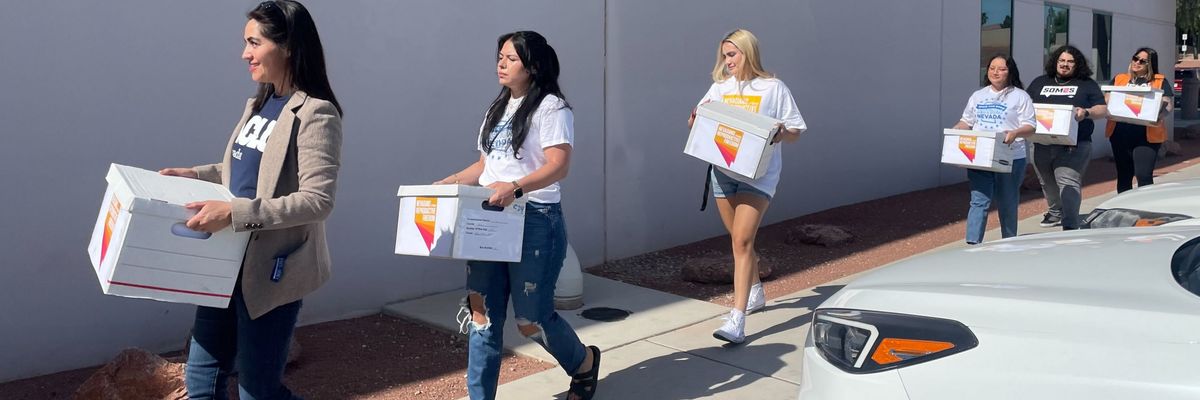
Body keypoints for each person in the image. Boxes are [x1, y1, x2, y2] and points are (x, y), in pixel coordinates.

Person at [159, 1, 343, 398]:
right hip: (223, 261)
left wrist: (234, 213)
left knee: (257, 390)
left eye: (254, 43)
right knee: (201, 381)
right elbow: (240, 172)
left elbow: (317, 201)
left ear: (288, 45)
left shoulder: (316, 113)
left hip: (270, 272)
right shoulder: (258, 104)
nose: (245, 53)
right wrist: (192, 174)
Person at [435, 31, 599, 400]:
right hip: (490, 219)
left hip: (535, 220)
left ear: (534, 65)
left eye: (511, 58)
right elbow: (484, 165)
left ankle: (584, 363)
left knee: (531, 320)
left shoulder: (552, 108)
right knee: (482, 316)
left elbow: (559, 166)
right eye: (500, 56)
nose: (501, 63)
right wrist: (447, 182)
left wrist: (516, 188)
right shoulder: (497, 109)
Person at [687, 29, 806, 344]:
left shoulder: (773, 88)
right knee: (740, 240)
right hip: (723, 172)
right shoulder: (720, 87)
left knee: (740, 242)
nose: (727, 62)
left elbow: (796, 131)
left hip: (759, 177)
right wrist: (696, 117)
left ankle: (736, 320)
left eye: (732, 55)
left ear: (748, 53)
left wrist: (781, 133)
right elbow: (699, 121)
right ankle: (754, 291)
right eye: (724, 56)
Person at [950, 54, 1035, 244]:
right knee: (979, 201)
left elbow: (1031, 126)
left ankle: (1009, 241)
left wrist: (1015, 133)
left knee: (1007, 202)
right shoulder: (978, 95)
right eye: (992, 68)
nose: (996, 72)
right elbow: (967, 121)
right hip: (981, 155)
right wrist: (957, 129)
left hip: (1011, 157)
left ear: (1010, 71)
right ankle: (972, 244)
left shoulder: (1020, 96)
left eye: (1002, 69)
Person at [1025, 45, 1107, 230]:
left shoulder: (1086, 84)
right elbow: (1025, 105)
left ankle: (1070, 223)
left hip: (1074, 145)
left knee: (1068, 183)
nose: (1065, 64)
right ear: (1055, 62)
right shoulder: (1039, 82)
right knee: (1046, 183)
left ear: (1077, 65)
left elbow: (1102, 109)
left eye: (1070, 61)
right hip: (1041, 143)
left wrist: (1086, 112)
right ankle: (1055, 212)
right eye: (1062, 60)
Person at [1105, 47, 1173, 192]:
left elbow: (1168, 104)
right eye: (1135, 58)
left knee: (1143, 175)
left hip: (1147, 135)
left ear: (1150, 64)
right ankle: (1123, 208)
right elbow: (1106, 98)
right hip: (1120, 133)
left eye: (1142, 61)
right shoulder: (1120, 79)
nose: (1137, 63)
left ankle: (1145, 209)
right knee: (1124, 175)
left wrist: (1159, 117)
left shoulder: (1159, 80)